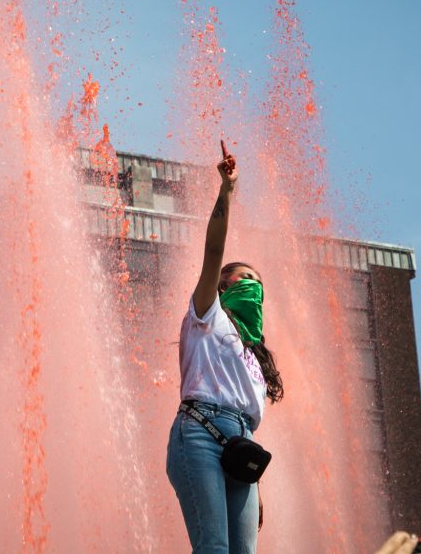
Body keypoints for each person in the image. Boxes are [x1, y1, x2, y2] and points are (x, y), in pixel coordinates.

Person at [166, 140, 284, 554]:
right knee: (214, 548)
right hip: (198, 433)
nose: (252, 284)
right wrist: (227, 190)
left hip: (241, 444)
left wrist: (258, 486)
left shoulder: (255, 356)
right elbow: (213, 248)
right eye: (242, 277)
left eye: (257, 281)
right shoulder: (207, 315)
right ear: (221, 286)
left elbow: (246, 420)